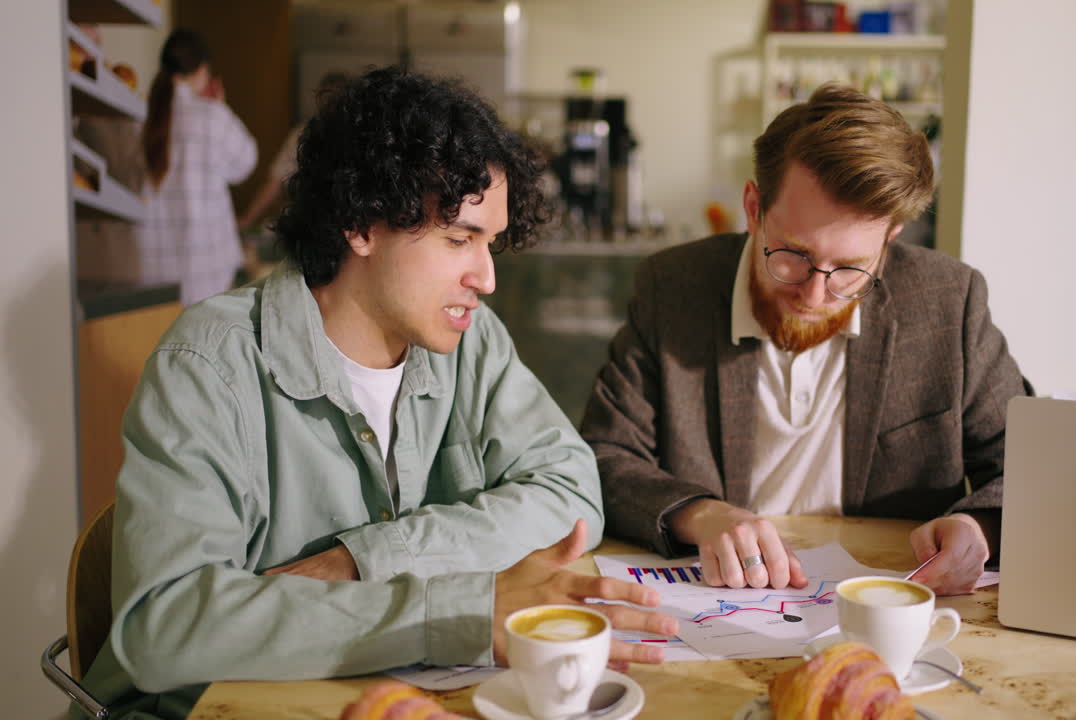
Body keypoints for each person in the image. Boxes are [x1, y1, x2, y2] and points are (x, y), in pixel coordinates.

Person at [78, 67, 676, 720]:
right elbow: (166, 628)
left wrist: (365, 562)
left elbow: (568, 489)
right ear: (361, 224)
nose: (487, 277)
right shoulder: (210, 363)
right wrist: (450, 611)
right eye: (460, 239)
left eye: (492, 244)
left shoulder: (470, 341)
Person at [580, 84, 1031, 598]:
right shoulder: (673, 288)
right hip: (717, 603)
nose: (816, 294)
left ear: (891, 238)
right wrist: (702, 515)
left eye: (851, 268)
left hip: (888, 605)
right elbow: (603, 455)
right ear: (754, 209)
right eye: (793, 254)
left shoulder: (948, 301)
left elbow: (1032, 466)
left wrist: (980, 530)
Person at [138, 29, 257, 306]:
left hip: (153, 269)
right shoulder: (211, 115)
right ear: (202, 70)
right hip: (206, 268)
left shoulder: (144, 116)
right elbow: (245, 164)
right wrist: (221, 107)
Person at [237, 71, 349, 232]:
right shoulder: (302, 134)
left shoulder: (357, 136)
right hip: (312, 224)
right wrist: (248, 219)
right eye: (326, 99)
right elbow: (275, 180)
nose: (330, 105)